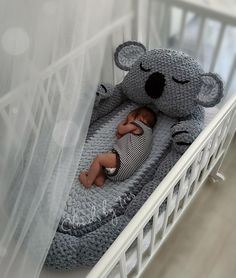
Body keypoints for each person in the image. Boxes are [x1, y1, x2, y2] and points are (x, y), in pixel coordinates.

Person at [79, 106, 157, 188]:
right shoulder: (149, 136)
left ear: (140, 118)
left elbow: (121, 129)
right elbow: (127, 141)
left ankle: (87, 182)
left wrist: (123, 123)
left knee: (99, 159)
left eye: (128, 119)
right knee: (105, 163)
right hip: (125, 173)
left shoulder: (139, 124)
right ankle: (99, 179)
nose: (127, 122)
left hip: (122, 163)